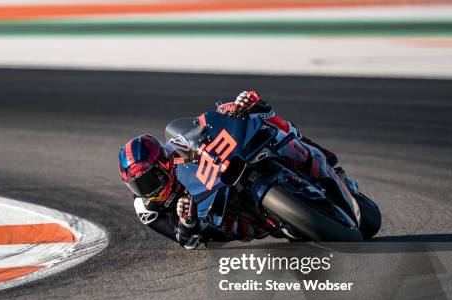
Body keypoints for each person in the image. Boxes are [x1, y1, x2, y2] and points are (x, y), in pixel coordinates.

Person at [118, 90, 339, 249]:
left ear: (164, 164)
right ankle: (276, 223)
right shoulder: (145, 208)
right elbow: (185, 241)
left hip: (217, 178)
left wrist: (230, 111)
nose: (147, 189)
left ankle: (323, 159)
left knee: (263, 118)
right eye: (138, 185)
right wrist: (187, 222)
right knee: (215, 233)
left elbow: (202, 130)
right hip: (209, 214)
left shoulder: (176, 149)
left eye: (150, 179)